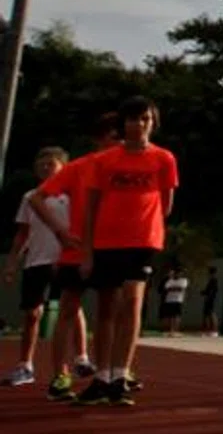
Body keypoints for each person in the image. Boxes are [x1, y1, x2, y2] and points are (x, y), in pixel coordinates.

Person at [76, 97, 177, 407]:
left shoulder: (163, 159)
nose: (139, 124)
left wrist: (148, 227)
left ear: (153, 123)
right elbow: (92, 206)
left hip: (143, 240)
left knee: (132, 301)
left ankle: (121, 375)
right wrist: (87, 250)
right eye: (133, 119)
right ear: (123, 125)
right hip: (107, 242)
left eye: (145, 118)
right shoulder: (104, 160)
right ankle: (102, 377)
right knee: (106, 308)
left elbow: (166, 203)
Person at [27, 113, 117, 398]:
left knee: (109, 312)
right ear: (99, 139)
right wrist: (60, 232)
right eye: (114, 137)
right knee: (67, 309)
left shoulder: (127, 167)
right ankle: (60, 376)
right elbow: (36, 197)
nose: (119, 142)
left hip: (111, 250)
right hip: (77, 249)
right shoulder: (79, 167)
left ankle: (107, 374)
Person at [4, 148, 69, 386]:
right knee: (32, 314)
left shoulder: (72, 195)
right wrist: (12, 262)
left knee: (68, 312)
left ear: (63, 167)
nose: (45, 169)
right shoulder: (30, 196)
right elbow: (22, 233)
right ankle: (25, 366)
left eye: (50, 164)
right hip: (35, 261)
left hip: (63, 261)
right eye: (40, 165)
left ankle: (72, 364)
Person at [158, 263, 190, 337]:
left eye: (179, 273)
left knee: (177, 316)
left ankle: (175, 330)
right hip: (169, 300)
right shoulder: (170, 280)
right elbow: (166, 289)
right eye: (176, 272)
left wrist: (172, 289)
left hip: (178, 300)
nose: (177, 274)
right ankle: (169, 330)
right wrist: (174, 288)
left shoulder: (184, 280)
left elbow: (181, 289)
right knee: (169, 316)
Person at [199, 266, 220, 337]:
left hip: (210, 299)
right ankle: (208, 331)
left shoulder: (214, 281)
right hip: (209, 299)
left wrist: (205, 293)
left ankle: (214, 331)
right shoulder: (212, 280)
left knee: (211, 314)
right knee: (207, 315)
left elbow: (211, 291)